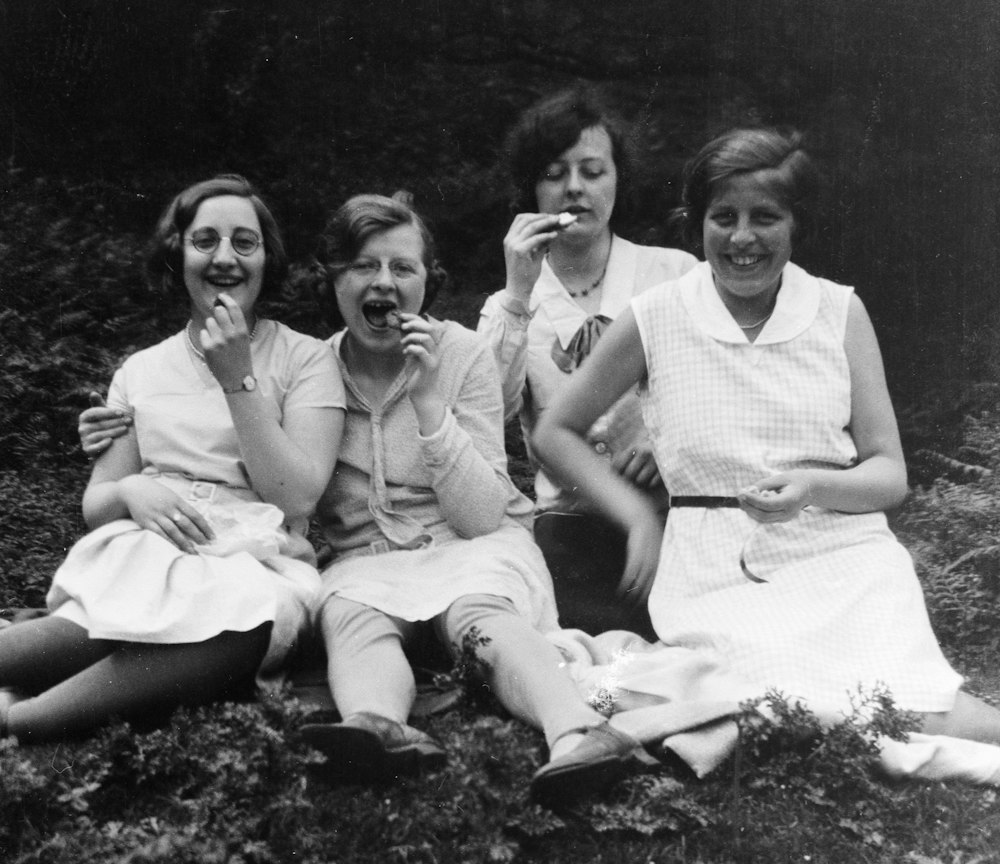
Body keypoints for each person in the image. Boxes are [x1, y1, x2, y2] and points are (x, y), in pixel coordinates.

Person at [531, 126, 1000, 785]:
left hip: (845, 560)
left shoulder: (839, 312)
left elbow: (888, 472)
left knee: (914, 706)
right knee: (795, 697)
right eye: (724, 217)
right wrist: (637, 517)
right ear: (697, 224)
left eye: (765, 217)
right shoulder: (659, 315)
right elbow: (555, 430)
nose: (742, 238)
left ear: (795, 223)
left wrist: (811, 485)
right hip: (715, 567)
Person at [297, 192, 633, 806]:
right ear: (334, 280)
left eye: (403, 268)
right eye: (364, 267)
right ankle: (378, 727)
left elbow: (481, 515)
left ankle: (580, 731)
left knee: (480, 616)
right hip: (367, 561)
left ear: (429, 281)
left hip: (472, 547)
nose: (384, 284)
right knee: (351, 616)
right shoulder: (309, 369)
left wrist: (429, 406)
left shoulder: (461, 354)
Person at [14, 173, 344, 744]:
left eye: (245, 242)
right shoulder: (141, 370)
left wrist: (238, 375)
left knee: (246, 626)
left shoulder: (306, 359)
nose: (225, 258)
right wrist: (129, 492)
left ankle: (19, 718)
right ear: (178, 254)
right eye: (205, 241)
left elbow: (298, 496)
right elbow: (99, 502)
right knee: (70, 637)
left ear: (268, 258)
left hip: (258, 563)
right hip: (151, 555)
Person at [478, 87, 695, 632]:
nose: (574, 187)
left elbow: (726, 385)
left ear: (618, 178)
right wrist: (517, 295)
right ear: (530, 189)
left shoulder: (674, 274)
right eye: (553, 174)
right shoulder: (511, 305)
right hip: (571, 527)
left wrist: (666, 438)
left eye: (593, 171)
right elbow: (486, 415)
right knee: (590, 651)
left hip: (678, 516)